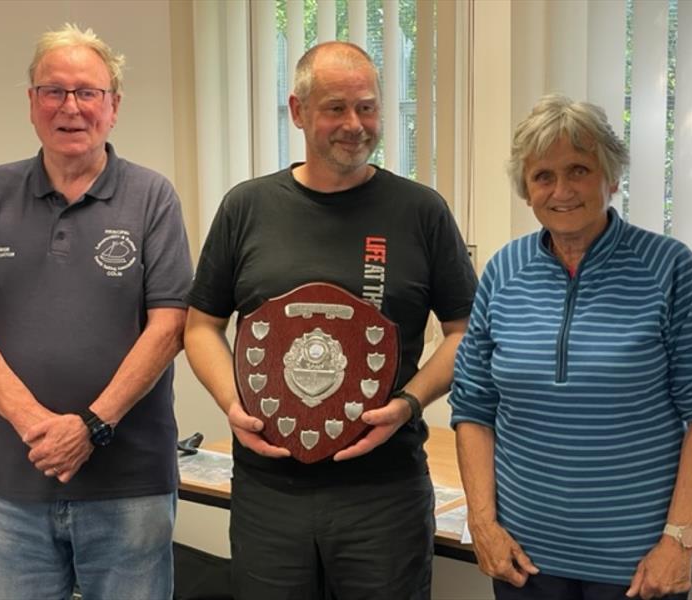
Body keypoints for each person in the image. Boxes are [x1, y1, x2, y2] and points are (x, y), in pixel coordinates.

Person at [184, 41, 477, 599]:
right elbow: (201, 325)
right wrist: (231, 403)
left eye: (367, 107)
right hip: (269, 491)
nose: (354, 124)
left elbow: (467, 332)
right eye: (335, 108)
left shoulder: (421, 211)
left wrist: (410, 403)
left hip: (383, 491)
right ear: (297, 111)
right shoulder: (246, 208)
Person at [449, 94, 692, 600]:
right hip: (525, 560)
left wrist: (679, 541)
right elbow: (473, 408)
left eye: (578, 169)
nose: (561, 190)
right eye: (543, 176)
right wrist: (484, 525)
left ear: (612, 177)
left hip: (637, 566)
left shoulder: (667, 268)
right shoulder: (502, 272)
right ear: (525, 189)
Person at [0, 23, 192, 599]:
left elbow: (169, 327)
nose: (71, 107)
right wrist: (34, 424)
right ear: (31, 103)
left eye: (87, 92)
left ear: (113, 106)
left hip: (130, 485)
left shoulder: (152, 197)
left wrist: (91, 426)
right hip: (11, 486)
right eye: (54, 90)